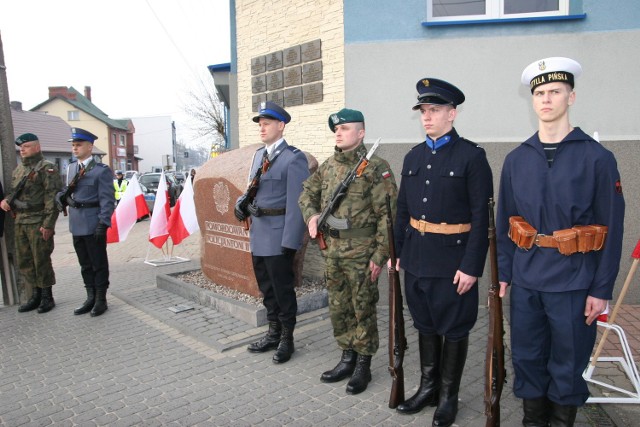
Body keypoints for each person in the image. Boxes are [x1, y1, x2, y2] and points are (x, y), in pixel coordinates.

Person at [497, 57, 625, 426]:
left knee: (568, 361)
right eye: (539, 92)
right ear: (532, 100)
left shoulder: (598, 158)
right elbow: (505, 222)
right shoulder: (517, 159)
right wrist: (505, 272)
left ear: (571, 97)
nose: (546, 99)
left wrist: (601, 289)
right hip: (525, 279)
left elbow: (612, 228)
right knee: (526, 356)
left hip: (574, 279)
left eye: (555, 91)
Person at [393, 79, 493, 426]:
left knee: (454, 329)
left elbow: (483, 217)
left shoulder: (472, 156)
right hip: (418, 259)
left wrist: (472, 266)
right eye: (423, 110)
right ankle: (427, 388)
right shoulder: (413, 156)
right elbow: (402, 209)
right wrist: (397, 252)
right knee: (424, 325)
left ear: (452, 113)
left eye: (434, 110)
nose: (427, 117)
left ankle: (448, 397)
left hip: (454, 261)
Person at [299, 108, 398, 395]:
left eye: (345, 129)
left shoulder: (376, 168)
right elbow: (307, 193)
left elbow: (387, 216)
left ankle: (363, 364)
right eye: (336, 130)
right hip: (333, 251)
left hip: (362, 253)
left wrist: (380, 255)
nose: (338, 133)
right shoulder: (328, 166)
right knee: (339, 307)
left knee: (362, 307)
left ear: (361, 133)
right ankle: (347, 356)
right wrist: (311, 216)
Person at [234, 101, 309, 364]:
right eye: (260, 124)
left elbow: (297, 204)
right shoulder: (258, 156)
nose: (262, 128)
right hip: (259, 233)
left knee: (283, 290)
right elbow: (252, 188)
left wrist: (291, 242)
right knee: (267, 289)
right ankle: (273, 333)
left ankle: (287, 339)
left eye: (267, 124)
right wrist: (242, 204)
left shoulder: (293, 158)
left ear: (281, 125)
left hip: (279, 236)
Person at [56, 128, 116, 317]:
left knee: (98, 263)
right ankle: (89, 297)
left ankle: (100, 299)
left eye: (79, 145)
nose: (75, 148)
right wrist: (61, 197)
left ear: (90, 147)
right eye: (73, 145)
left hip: (92, 223)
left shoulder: (101, 171)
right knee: (85, 265)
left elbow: (107, 199)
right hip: (76, 224)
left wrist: (103, 223)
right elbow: (67, 190)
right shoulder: (72, 168)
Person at [0, 133, 62, 313]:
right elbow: (14, 192)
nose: (22, 151)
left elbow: (52, 199)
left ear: (36, 147)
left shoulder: (47, 168)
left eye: (25, 147)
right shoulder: (19, 170)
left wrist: (48, 224)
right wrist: (6, 200)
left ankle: (47, 296)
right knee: (25, 260)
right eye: (21, 148)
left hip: (38, 221)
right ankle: (35, 295)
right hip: (20, 221)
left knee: (41, 259)